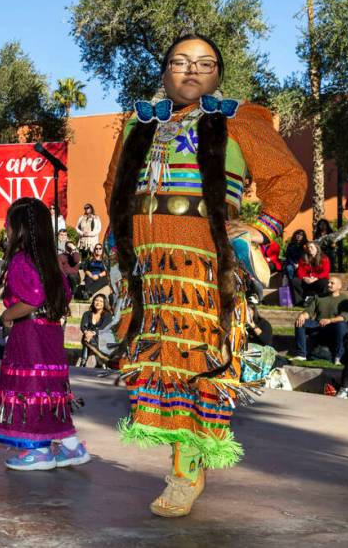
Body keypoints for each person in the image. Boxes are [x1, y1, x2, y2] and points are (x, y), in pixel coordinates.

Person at [104, 33, 305, 516]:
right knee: (160, 368)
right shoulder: (139, 122)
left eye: (204, 63)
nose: (191, 71)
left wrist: (262, 226)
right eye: (180, 61)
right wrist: (118, 249)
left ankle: (184, 473)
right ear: (164, 71)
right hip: (148, 273)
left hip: (206, 270)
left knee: (200, 366)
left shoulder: (239, 120)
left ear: (218, 73)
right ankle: (184, 463)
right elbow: (114, 184)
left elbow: (289, 177)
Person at [0, 197, 88, 471]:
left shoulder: (22, 260)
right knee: (51, 387)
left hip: (29, 334)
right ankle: (71, 446)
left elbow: (32, 298)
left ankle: (39, 450)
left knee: (30, 387)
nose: (5, 230)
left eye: (8, 225)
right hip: (51, 333)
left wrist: (7, 315)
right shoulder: (49, 262)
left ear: (18, 228)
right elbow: (65, 294)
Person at [293, 276, 348, 364]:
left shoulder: (345, 299)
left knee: (342, 325)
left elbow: (344, 316)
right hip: (318, 326)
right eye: (328, 282)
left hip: (334, 327)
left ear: (339, 286)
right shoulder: (319, 297)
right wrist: (302, 315)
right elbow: (309, 311)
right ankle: (301, 354)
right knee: (300, 322)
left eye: (332, 283)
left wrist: (330, 320)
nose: (329, 284)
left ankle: (338, 357)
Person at [78, 293, 113, 367]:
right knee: (87, 337)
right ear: (93, 301)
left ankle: (83, 362)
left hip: (102, 339)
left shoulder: (108, 315)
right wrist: (86, 332)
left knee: (89, 339)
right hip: (88, 337)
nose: (98, 303)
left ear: (104, 304)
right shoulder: (87, 314)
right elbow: (83, 326)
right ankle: (102, 363)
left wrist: (92, 333)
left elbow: (104, 328)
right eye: (96, 300)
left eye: (101, 301)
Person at [291, 241, 330, 306]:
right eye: (308, 247)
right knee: (295, 281)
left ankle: (321, 302)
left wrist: (316, 278)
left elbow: (325, 272)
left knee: (324, 283)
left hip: (318, 279)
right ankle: (300, 302)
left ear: (317, 248)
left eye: (311, 247)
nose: (309, 249)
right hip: (306, 279)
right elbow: (300, 271)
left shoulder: (324, 258)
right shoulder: (303, 258)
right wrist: (304, 278)